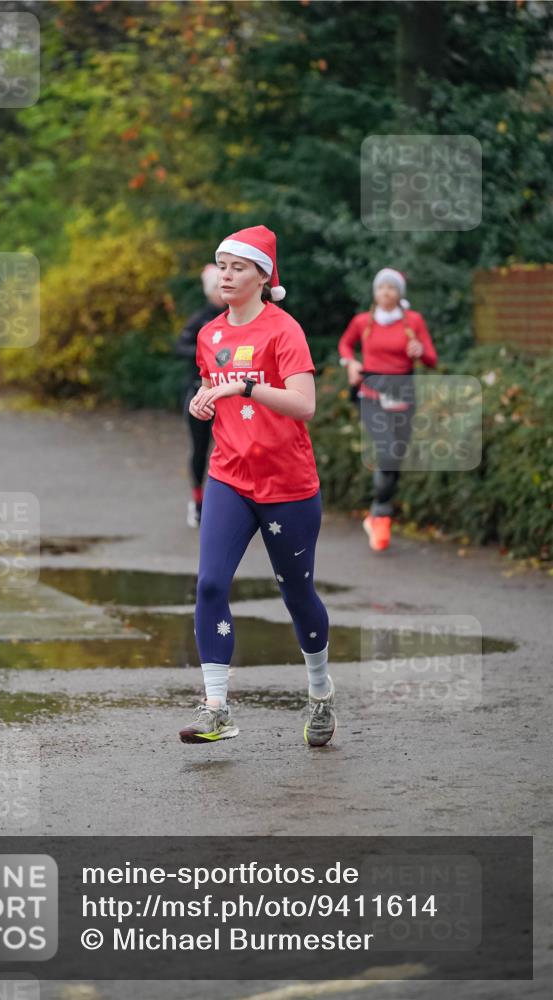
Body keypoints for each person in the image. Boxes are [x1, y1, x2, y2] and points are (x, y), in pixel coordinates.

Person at [178, 225, 336, 748]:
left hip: (287, 484)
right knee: (210, 584)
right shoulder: (211, 334)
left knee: (296, 593)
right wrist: (202, 400)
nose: (225, 275)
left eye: (237, 267)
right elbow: (211, 386)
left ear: (262, 276)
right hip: (229, 477)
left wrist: (246, 385)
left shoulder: (283, 330)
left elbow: (305, 404)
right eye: (220, 265)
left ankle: (319, 692)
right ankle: (216, 707)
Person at [338, 268, 437, 552]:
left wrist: (421, 351)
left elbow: (432, 358)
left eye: (391, 288)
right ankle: (381, 514)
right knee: (387, 450)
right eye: (381, 288)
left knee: (395, 458)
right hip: (371, 394)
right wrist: (351, 363)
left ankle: (378, 513)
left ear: (399, 294)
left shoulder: (413, 321)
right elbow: (345, 344)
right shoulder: (362, 321)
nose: (385, 293)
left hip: (403, 394)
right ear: (375, 293)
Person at [174, 264, 225, 527]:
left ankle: (235, 504)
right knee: (201, 449)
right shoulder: (201, 319)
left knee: (230, 448)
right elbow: (179, 346)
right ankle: (198, 501)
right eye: (216, 288)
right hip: (199, 393)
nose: (221, 292)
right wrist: (206, 352)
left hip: (230, 396)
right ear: (208, 291)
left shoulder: (235, 317)